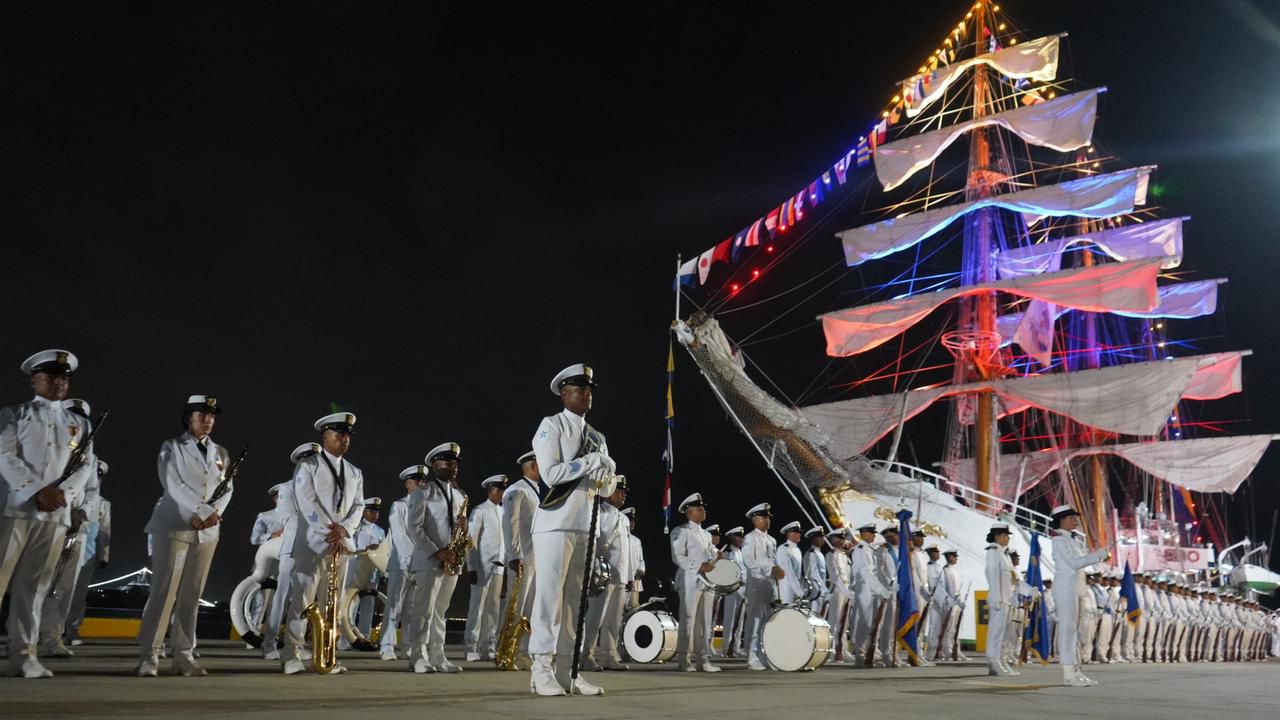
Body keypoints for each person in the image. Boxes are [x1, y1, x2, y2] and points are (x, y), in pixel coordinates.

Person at [0, 350, 97, 678]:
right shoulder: (15, 414)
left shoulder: (79, 424)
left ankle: (24, 655)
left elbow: (84, 468)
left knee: (35, 586)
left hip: (54, 513)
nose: (59, 382)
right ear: (34, 380)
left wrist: (63, 495)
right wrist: (36, 490)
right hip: (16, 507)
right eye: (52, 376)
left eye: (64, 378)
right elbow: (4, 455)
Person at [527, 364, 615, 697]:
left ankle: (568, 671)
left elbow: (605, 492)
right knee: (549, 599)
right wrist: (589, 463)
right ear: (565, 393)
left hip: (583, 525)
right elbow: (550, 474)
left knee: (574, 604)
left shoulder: (598, 437)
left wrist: (607, 474)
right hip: (554, 524)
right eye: (580, 388)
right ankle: (540, 670)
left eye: (590, 388)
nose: (587, 393)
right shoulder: (552, 426)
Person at [136, 395, 232, 678]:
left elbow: (227, 488)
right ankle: (149, 654)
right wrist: (201, 510)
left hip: (207, 530)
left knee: (192, 594)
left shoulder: (221, 453)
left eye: (212, 415)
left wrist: (212, 514)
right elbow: (172, 483)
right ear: (188, 418)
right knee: (164, 591)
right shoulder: (172, 447)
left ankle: (184, 655)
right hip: (174, 526)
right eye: (202, 414)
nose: (208, 420)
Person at [281, 412, 364, 675]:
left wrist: (346, 530)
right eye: (339, 433)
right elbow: (307, 503)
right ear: (324, 436)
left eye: (347, 434)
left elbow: (359, 506)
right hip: (313, 544)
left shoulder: (354, 472)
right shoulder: (308, 466)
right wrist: (330, 531)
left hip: (340, 546)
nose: (344, 438)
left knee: (332, 604)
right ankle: (291, 654)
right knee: (303, 600)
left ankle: (325, 656)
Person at [406, 443, 468, 674]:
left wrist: (464, 528)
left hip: (451, 560)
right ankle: (418, 655)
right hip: (429, 560)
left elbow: (458, 529)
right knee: (423, 610)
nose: (453, 467)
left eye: (455, 464)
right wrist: (436, 551)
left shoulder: (460, 495)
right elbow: (413, 528)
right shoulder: (423, 493)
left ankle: (438, 654)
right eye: (448, 462)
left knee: (441, 610)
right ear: (435, 465)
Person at [260, 443, 317, 661]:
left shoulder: (321, 488)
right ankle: (269, 643)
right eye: (309, 460)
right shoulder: (286, 489)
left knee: (303, 598)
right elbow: (288, 517)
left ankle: (296, 644)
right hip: (293, 547)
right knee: (281, 596)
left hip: (313, 549)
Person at [1049, 505, 1109, 687]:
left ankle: (1076, 670)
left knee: (1074, 631)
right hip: (1065, 589)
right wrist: (1098, 555)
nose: (1075, 521)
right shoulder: (1059, 541)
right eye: (1072, 518)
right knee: (1067, 631)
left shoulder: (1072, 541)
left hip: (1074, 589)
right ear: (1062, 520)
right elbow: (1075, 563)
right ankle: (1068, 673)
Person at [582, 476, 630, 671]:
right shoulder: (598, 511)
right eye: (619, 490)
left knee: (614, 619)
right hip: (602, 573)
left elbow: (626, 550)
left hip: (620, 574)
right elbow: (592, 541)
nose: (623, 494)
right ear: (608, 491)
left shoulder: (624, 518)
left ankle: (609, 656)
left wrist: (630, 575)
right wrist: (592, 569)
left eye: (624, 491)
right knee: (595, 616)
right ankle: (586, 655)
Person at [669, 492, 721, 673]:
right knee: (688, 619)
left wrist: (717, 555)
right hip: (690, 579)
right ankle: (684, 659)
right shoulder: (681, 531)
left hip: (707, 582)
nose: (703, 510)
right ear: (690, 512)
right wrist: (699, 565)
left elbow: (711, 551)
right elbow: (677, 556)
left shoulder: (706, 534)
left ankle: (703, 660)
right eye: (699, 508)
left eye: (703, 508)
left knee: (705, 622)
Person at [65, 460, 112, 647]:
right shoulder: (73, 497)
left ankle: (73, 629)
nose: (97, 479)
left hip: (88, 556)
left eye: (100, 476)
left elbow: (104, 531)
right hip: (67, 547)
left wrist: (103, 556)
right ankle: (51, 629)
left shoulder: (103, 505)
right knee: (58, 590)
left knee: (78, 595)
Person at [501, 451, 540, 668]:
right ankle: (508, 652)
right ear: (533, 466)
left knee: (531, 609)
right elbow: (511, 524)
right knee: (516, 606)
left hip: (537, 558)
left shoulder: (537, 491)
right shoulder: (517, 490)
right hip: (523, 558)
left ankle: (524, 651)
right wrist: (514, 555)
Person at [464, 475, 507, 662]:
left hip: (499, 566)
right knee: (477, 607)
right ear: (491, 491)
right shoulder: (480, 511)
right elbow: (471, 541)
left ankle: (488, 645)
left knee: (493, 609)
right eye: (500, 490)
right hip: (482, 566)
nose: (503, 493)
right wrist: (471, 566)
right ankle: (471, 646)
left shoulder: (504, 512)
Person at [380, 467, 421, 661]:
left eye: (422, 480)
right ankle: (386, 646)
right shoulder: (399, 506)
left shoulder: (425, 507)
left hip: (420, 564)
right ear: (407, 483)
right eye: (415, 480)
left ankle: (408, 647)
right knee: (394, 605)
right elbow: (399, 536)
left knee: (412, 609)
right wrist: (414, 558)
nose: (420, 483)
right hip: (402, 562)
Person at [741, 503, 783, 671]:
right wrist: (769, 569)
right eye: (764, 517)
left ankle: (766, 655)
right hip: (756, 583)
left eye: (768, 517)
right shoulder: (750, 538)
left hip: (769, 584)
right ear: (755, 519)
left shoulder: (771, 540)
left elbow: (773, 561)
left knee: (769, 620)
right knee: (755, 619)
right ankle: (751, 656)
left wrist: (776, 572)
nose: (767, 520)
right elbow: (749, 560)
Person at [342, 497, 385, 649]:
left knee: (369, 605)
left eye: (377, 512)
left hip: (372, 572)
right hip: (356, 569)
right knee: (350, 605)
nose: (375, 515)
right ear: (364, 512)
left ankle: (364, 638)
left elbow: (384, 553)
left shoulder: (380, 531)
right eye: (372, 511)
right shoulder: (355, 528)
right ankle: (345, 639)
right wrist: (366, 550)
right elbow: (349, 548)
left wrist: (383, 574)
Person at [850, 523, 890, 665]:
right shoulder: (861, 550)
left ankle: (867, 653)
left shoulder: (868, 549)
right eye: (871, 533)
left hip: (870, 589)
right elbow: (865, 572)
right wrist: (880, 589)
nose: (874, 535)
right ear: (864, 533)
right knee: (864, 622)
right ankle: (860, 655)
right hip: (863, 589)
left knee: (870, 622)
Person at [984, 523, 1017, 677]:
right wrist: (996, 598)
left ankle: (1001, 660)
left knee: (1004, 633)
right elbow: (992, 574)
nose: (1008, 538)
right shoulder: (993, 552)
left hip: (1007, 599)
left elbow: (1012, 578)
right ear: (997, 536)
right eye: (1005, 535)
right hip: (999, 599)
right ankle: (993, 662)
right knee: (996, 632)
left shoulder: (1005, 555)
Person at [824, 529, 856, 663]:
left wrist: (850, 590)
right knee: (834, 621)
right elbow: (835, 576)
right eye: (838, 538)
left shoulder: (844, 556)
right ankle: (831, 650)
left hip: (847, 590)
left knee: (844, 622)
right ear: (832, 540)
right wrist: (845, 591)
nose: (842, 541)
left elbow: (849, 576)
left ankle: (842, 649)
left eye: (843, 538)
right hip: (837, 590)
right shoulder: (831, 555)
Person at [874, 525, 901, 667]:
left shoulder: (899, 552)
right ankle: (879, 652)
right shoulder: (882, 550)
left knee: (892, 624)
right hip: (885, 591)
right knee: (883, 623)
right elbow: (880, 571)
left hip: (896, 591)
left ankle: (890, 652)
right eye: (894, 535)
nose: (897, 537)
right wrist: (888, 584)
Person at [718, 526, 748, 657]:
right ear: (732, 538)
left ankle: (735, 648)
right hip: (732, 589)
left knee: (740, 621)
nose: (741, 539)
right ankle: (726, 648)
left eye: (742, 537)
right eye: (738, 537)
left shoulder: (741, 552)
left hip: (743, 589)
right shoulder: (727, 552)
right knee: (729, 620)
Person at [803, 527, 830, 615]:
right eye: (820, 537)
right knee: (812, 617)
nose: (823, 539)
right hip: (814, 593)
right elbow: (813, 574)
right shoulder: (811, 553)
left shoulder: (819, 553)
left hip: (820, 592)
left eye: (823, 536)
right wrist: (824, 590)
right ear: (813, 539)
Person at [775, 521, 804, 605]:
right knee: (786, 614)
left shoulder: (798, 550)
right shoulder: (783, 549)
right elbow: (788, 572)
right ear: (788, 534)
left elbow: (798, 572)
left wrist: (799, 588)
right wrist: (799, 590)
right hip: (786, 588)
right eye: (795, 532)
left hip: (796, 587)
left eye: (799, 532)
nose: (798, 534)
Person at [624, 508, 646, 611]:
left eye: (633, 521)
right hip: (622, 581)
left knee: (633, 610)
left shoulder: (637, 541)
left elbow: (641, 560)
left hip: (635, 582)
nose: (632, 523)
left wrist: (641, 570)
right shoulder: (619, 538)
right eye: (630, 520)